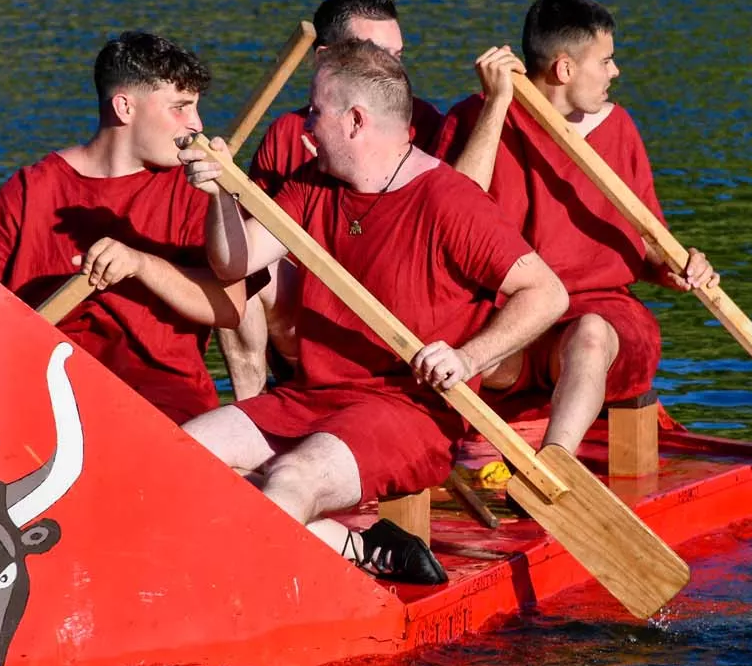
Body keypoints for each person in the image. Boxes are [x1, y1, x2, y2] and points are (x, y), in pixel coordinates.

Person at [180, 40, 567, 585]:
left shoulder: (448, 200)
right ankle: (346, 544)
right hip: (311, 397)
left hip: (408, 410)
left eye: (315, 110)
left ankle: (254, 618)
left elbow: (548, 293)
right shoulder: (311, 185)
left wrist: (466, 355)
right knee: (177, 456)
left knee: (290, 478)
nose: (304, 127)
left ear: (356, 120)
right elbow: (231, 264)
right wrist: (220, 194)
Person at [435, 0, 719, 457]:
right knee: (464, 342)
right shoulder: (476, 118)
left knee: (589, 334)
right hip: (509, 315)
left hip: (598, 313)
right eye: (605, 60)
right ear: (565, 69)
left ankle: (555, 466)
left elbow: (646, 242)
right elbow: (452, 213)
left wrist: (679, 267)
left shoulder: (619, 127)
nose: (615, 72)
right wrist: (495, 106)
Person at [0, 31, 245, 423]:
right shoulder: (29, 190)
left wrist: (141, 265)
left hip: (163, 406)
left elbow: (229, 308)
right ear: (124, 107)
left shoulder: (196, 187)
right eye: (180, 107)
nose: (196, 125)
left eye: (194, 108)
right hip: (45, 400)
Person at [220, 0, 444, 400]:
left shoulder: (428, 124)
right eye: (374, 54)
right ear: (325, 59)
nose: (392, 71)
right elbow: (259, 252)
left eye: (397, 57)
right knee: (240, 274)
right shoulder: (289, 133)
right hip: (311, 313)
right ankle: (251, 405)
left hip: (400, 318)